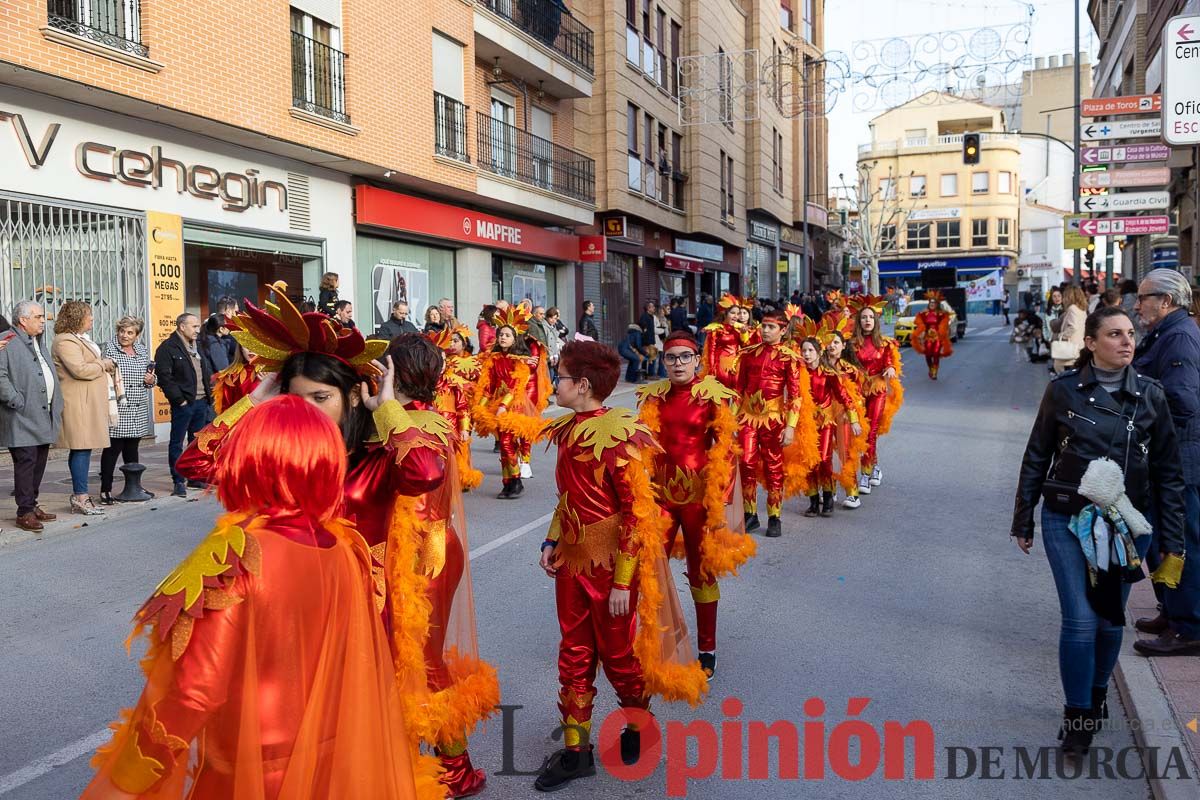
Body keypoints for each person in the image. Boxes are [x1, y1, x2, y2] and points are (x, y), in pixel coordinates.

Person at [180, 292, 497, 797]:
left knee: (407, 681)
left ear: (352, 397)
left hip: (378, 592)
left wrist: (387, 407)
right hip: (305, 594)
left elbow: (426, 471)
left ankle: (451, 771)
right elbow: (195, 464)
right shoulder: (286, 451)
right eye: (296, 398)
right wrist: (256, 401)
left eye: (319, 398)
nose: (306, 410)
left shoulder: (379, 451)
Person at [81, 395, 432, 800]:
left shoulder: (237, 554)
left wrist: (124, 784)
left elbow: (196, 692)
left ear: (249, 458)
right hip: (330, 759)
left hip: (251, 771)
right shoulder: (345, 548)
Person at [1012, 305, 1186, 756]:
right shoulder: (1062, 391)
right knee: (1080, 620)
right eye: (1114, 334)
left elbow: (1169, 472)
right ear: (1090, 343)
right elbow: (1037, 455)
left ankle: (1098, 691)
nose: (1127, 341)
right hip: (1066, 518)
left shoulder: (1151, 394)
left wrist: (1174, 542)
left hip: (1129, 523)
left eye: (1131, 333)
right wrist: (1023, 517)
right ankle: (1078, 718)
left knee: (1110, 622)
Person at [535, 341, 707, 791]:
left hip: (612, 569)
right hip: (572, 562)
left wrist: (622, 584)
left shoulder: (620, 435)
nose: (554, 383)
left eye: (560, 376)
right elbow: (568, 499)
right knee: (572, 654)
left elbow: (636, 514)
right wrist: (552, 540)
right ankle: (577, 752)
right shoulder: (568, 429)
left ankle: (637, 724)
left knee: (619, 659)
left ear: (583, 385)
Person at [636, 331, 753, 679]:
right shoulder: (653, 396)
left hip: (699, 499)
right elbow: (643, 444)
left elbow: (726, 452)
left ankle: (707, 647)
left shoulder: (712, 396)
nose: (677, 364)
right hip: (661, 497)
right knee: (648, 567)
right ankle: (653, 641)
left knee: (701, 573)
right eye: (671, 358)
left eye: (685, 357)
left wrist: (719, 502)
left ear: (697, 361)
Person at [1129, 269, 1200, 657]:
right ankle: (1172, 613)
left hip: (1179, 463)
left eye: (1144, 298)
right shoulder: (1166, 334)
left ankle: (1190, 627)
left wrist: (1134, 410)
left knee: (1181, 543)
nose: (1137, 305)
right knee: (1162, 541)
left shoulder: (1179, 337)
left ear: (1167, 302)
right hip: (1166, 461)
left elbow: (1182, 403)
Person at [733, 308, 814, 536]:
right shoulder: (748, 354)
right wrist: (731, 420)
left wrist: (790, 427)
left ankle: (774, 516)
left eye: (771, 327)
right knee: (746, 463)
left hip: (774, 420)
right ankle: (750, 514)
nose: (765, 330)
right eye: (764, 326)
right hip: (748, 418)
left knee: (773, 467)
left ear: (783, 329)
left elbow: (795, 396)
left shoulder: (789, 358)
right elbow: (739, 390)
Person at [0, 301, 62, 532]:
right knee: (26, 462)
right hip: (21, 415)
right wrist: (15, 399)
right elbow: (0, 374)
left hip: (42, 414)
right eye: (38, 316)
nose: (42, 320)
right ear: (23, 320)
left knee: (39, 462)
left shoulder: (38, 341)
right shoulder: (7, 339)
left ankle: (31, 504)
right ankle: (24, 512)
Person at [51, 300, 116, 515]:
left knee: (85, 448)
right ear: (77, 317)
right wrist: (103, 364)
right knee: (80, 447)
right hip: (77, 403)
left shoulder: (79, 339)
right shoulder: (65, 341)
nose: (92, 318)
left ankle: (82, 495)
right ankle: (80, 496)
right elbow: (80, 370)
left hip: (87, 402)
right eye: (89, 315)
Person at [474, 305, 544, 498]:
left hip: (515, 406)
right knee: (505, 448)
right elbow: (488, 386)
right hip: (499, 406)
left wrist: (504, 406)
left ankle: (516, 480)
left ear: (515, 339)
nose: (503, 338)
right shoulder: (493, 359)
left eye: (507, 335)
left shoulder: (519, 361)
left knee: (506, 443)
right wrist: (479, 408)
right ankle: (508, 483)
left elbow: (515, 386)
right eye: (501, 334)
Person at [849, 296, 903, 495]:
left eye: (870, 317)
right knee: (861, 432)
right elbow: (847, 367)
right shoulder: (852, 344)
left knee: (870, 431)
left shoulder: (885, 343)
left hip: (877, 390)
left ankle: (865, 473)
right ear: (859, 321)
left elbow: (889, 361)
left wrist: (889, 368)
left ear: (876, 320)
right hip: (858, 392)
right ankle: (876, 466)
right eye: (863, 317)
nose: (867, 321)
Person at [155, 312, 213, 498]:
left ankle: (194, 476)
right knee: (177, 443)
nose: (198, 330)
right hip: (184, 404)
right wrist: (179, 399)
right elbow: (164, 377)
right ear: (182, 326)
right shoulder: (168, 347)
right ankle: (178, 481)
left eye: (198, 326)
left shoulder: (196, 346)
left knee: (196, 443)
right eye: (194, 326)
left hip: (201, 402)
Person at [100, 316, 156, 505]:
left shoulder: (141, 350)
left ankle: (134, 486)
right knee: (112, 450)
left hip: (137, 408)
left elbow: (148, 378)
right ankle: (105, 490)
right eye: (122, 331)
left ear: (137, 335)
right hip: (118, 408)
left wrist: (151, 381)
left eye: (130, 332)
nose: (125, 335)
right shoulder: (109, 349)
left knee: (132, 450)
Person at [431, 324, 484, 492]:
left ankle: (462, 475)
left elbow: (482, 384)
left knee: (462, 445)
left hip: (463, 410)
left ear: (464, 342)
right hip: (442, 414)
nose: (452, 344)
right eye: (450, 341)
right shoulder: (444, 368)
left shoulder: (475, 362)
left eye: (456, 341)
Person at [701, 294, 749, 390]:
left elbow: (745, 346)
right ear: (724, 313)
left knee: (737, 396)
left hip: (736, 367)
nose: (736, 316)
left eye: (738, 313)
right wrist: (711, 370)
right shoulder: (716, 329)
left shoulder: (738, 328)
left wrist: (744, 333)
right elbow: (710, 352)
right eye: (733, 313)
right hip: (721, 368)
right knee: (722, 396)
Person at [911, 290, 954, 380]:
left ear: (936, 304)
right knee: (928, 354)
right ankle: (930, 368)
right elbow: (919, 322)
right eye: (930, 303)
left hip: (937, 337)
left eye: (934, 303)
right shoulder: (924, 313)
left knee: (935, 353)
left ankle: (934, 371)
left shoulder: (940, 314)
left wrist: (942, 330)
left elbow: (945, 322)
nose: (932, 304)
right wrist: (921, 331)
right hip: (927, 337)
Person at [211, 341, 259, 415]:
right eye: (246, 345)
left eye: (255, 344)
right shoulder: (230, 376)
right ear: (240, 348)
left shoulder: (274, 374)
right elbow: (225, 410)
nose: (250, 349)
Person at [1052, 285, 1088, 374]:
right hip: (1078, 346)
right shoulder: (1082, 310)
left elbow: (1073, 327)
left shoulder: (1072, 309)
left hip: (1070, 346)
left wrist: (1061, 335)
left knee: (1058, 366)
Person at [199, 313, 232, 377]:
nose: (230, 327)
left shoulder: (205, 339)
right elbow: (223, 368)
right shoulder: (215, 344)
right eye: (228, 325)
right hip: (215, 382)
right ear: (221, 329)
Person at [544, 307, 566, 385]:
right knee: (549, 376)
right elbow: (548, 343)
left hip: (552, 356)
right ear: (547, 317)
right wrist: (551, 356)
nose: (553, 320)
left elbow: (555, 342)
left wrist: (555, 355)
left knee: (552, 375)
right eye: (551, 318)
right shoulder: (544, 326)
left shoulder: (553, 327)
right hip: (547, 357)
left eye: (555, 318)